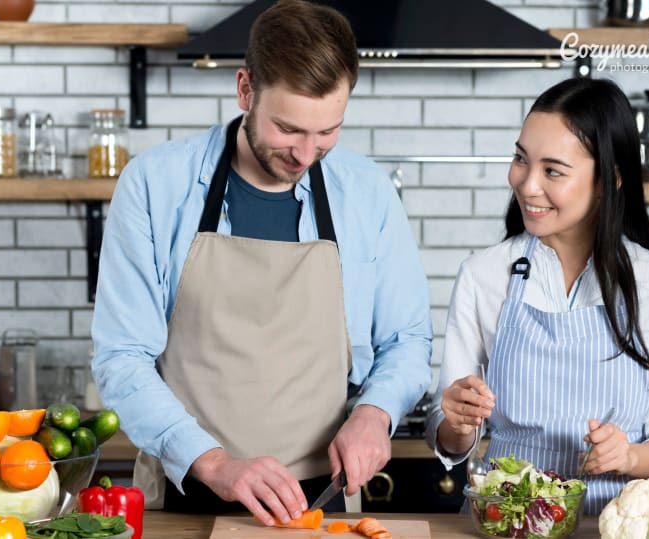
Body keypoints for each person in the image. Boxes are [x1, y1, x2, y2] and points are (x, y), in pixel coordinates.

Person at [90, 0, 432, 525]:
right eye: (289, 130)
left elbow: (407, 340)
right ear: (245, 89)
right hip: (186, 495)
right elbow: (121, 357)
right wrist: (215, 462)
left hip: (324, 501)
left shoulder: (367, 194)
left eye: (328, 132)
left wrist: (374, 412)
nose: (306, 154)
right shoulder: (154, 186)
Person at [425, 77, 649, 515]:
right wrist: (458, 424)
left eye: (552, 170)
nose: (526, 184)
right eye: (521, 159)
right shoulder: (484, 276)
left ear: (607, 181)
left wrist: (630, 456)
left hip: (611, 525)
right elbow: (448, 433)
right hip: (503, 523)